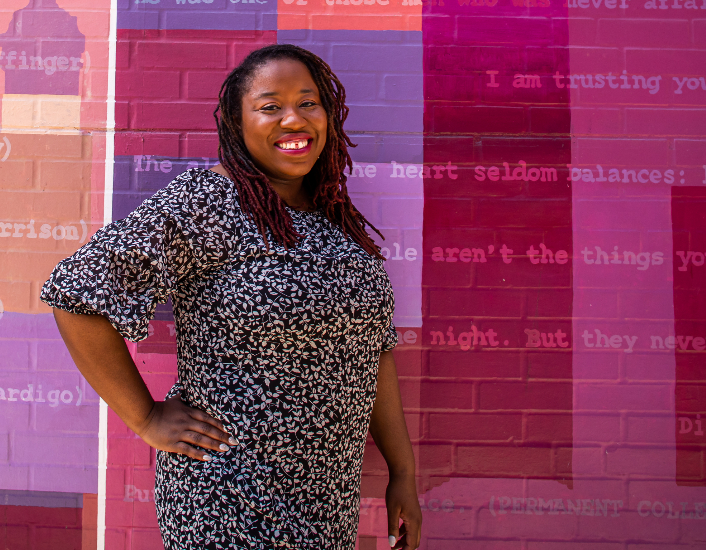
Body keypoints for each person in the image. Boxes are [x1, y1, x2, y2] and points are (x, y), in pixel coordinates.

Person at [43, 44, 422, 549]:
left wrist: (403, 471)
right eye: (270, 106)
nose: (294, 118)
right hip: (228, 494)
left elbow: (372, 353)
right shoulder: (207, 201)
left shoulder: (334, 218)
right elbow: (77, 292)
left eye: (308, 103)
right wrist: (147, 418)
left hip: (325, 496)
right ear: (237, 125)